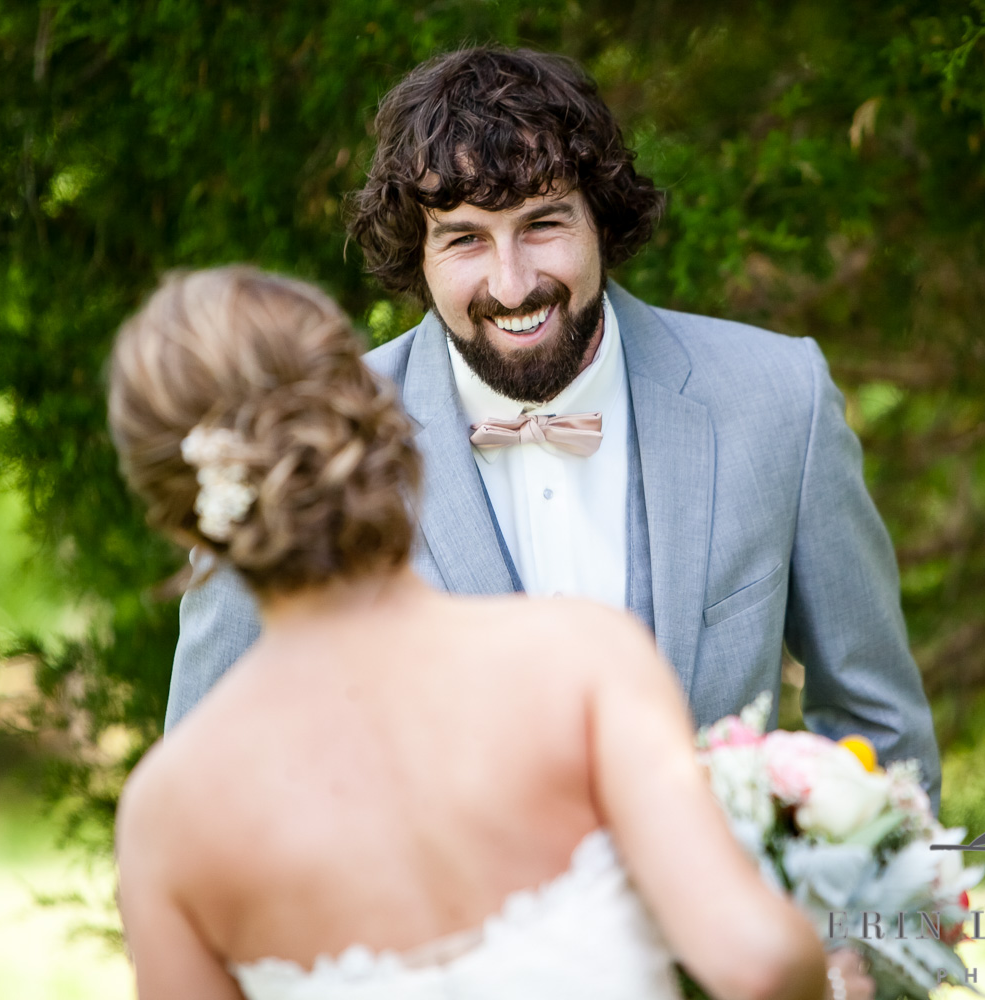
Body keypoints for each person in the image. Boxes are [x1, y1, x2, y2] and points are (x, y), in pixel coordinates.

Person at [166, 46, 942, 815]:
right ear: (418, 252)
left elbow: (882, 737)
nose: (512, 284)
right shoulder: (297, 447)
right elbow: (208, 789)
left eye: (542, 223)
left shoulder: (779, 400)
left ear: (601, 219)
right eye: (465, 237)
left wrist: (863, 929)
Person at [108, 266, 831, 999]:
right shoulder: (583, 658)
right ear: (375, 412)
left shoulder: (169, 814)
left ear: (178, 519)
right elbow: (758, 964)